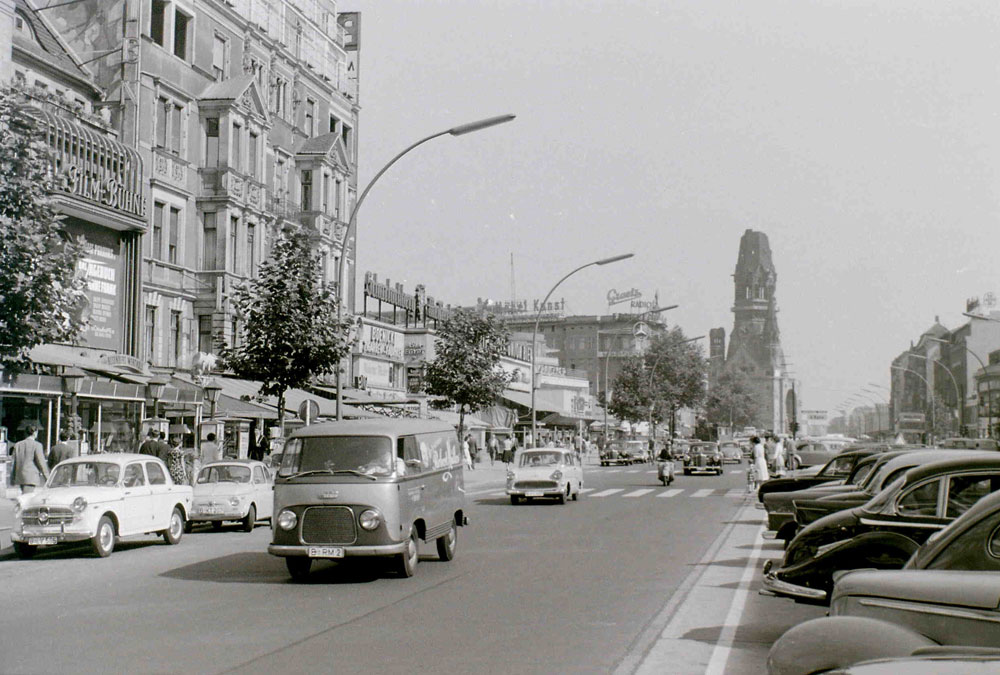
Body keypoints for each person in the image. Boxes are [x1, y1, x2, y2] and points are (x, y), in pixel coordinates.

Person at [12, 425, 49, 493]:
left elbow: (14, 462)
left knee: (24, 495)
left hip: (20, 475)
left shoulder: (18, 445)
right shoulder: (37, 445)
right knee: (27, 497)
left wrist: (12, 478)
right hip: (31, 476)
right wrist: (47, 477)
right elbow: (41, 462)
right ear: (35, 433)